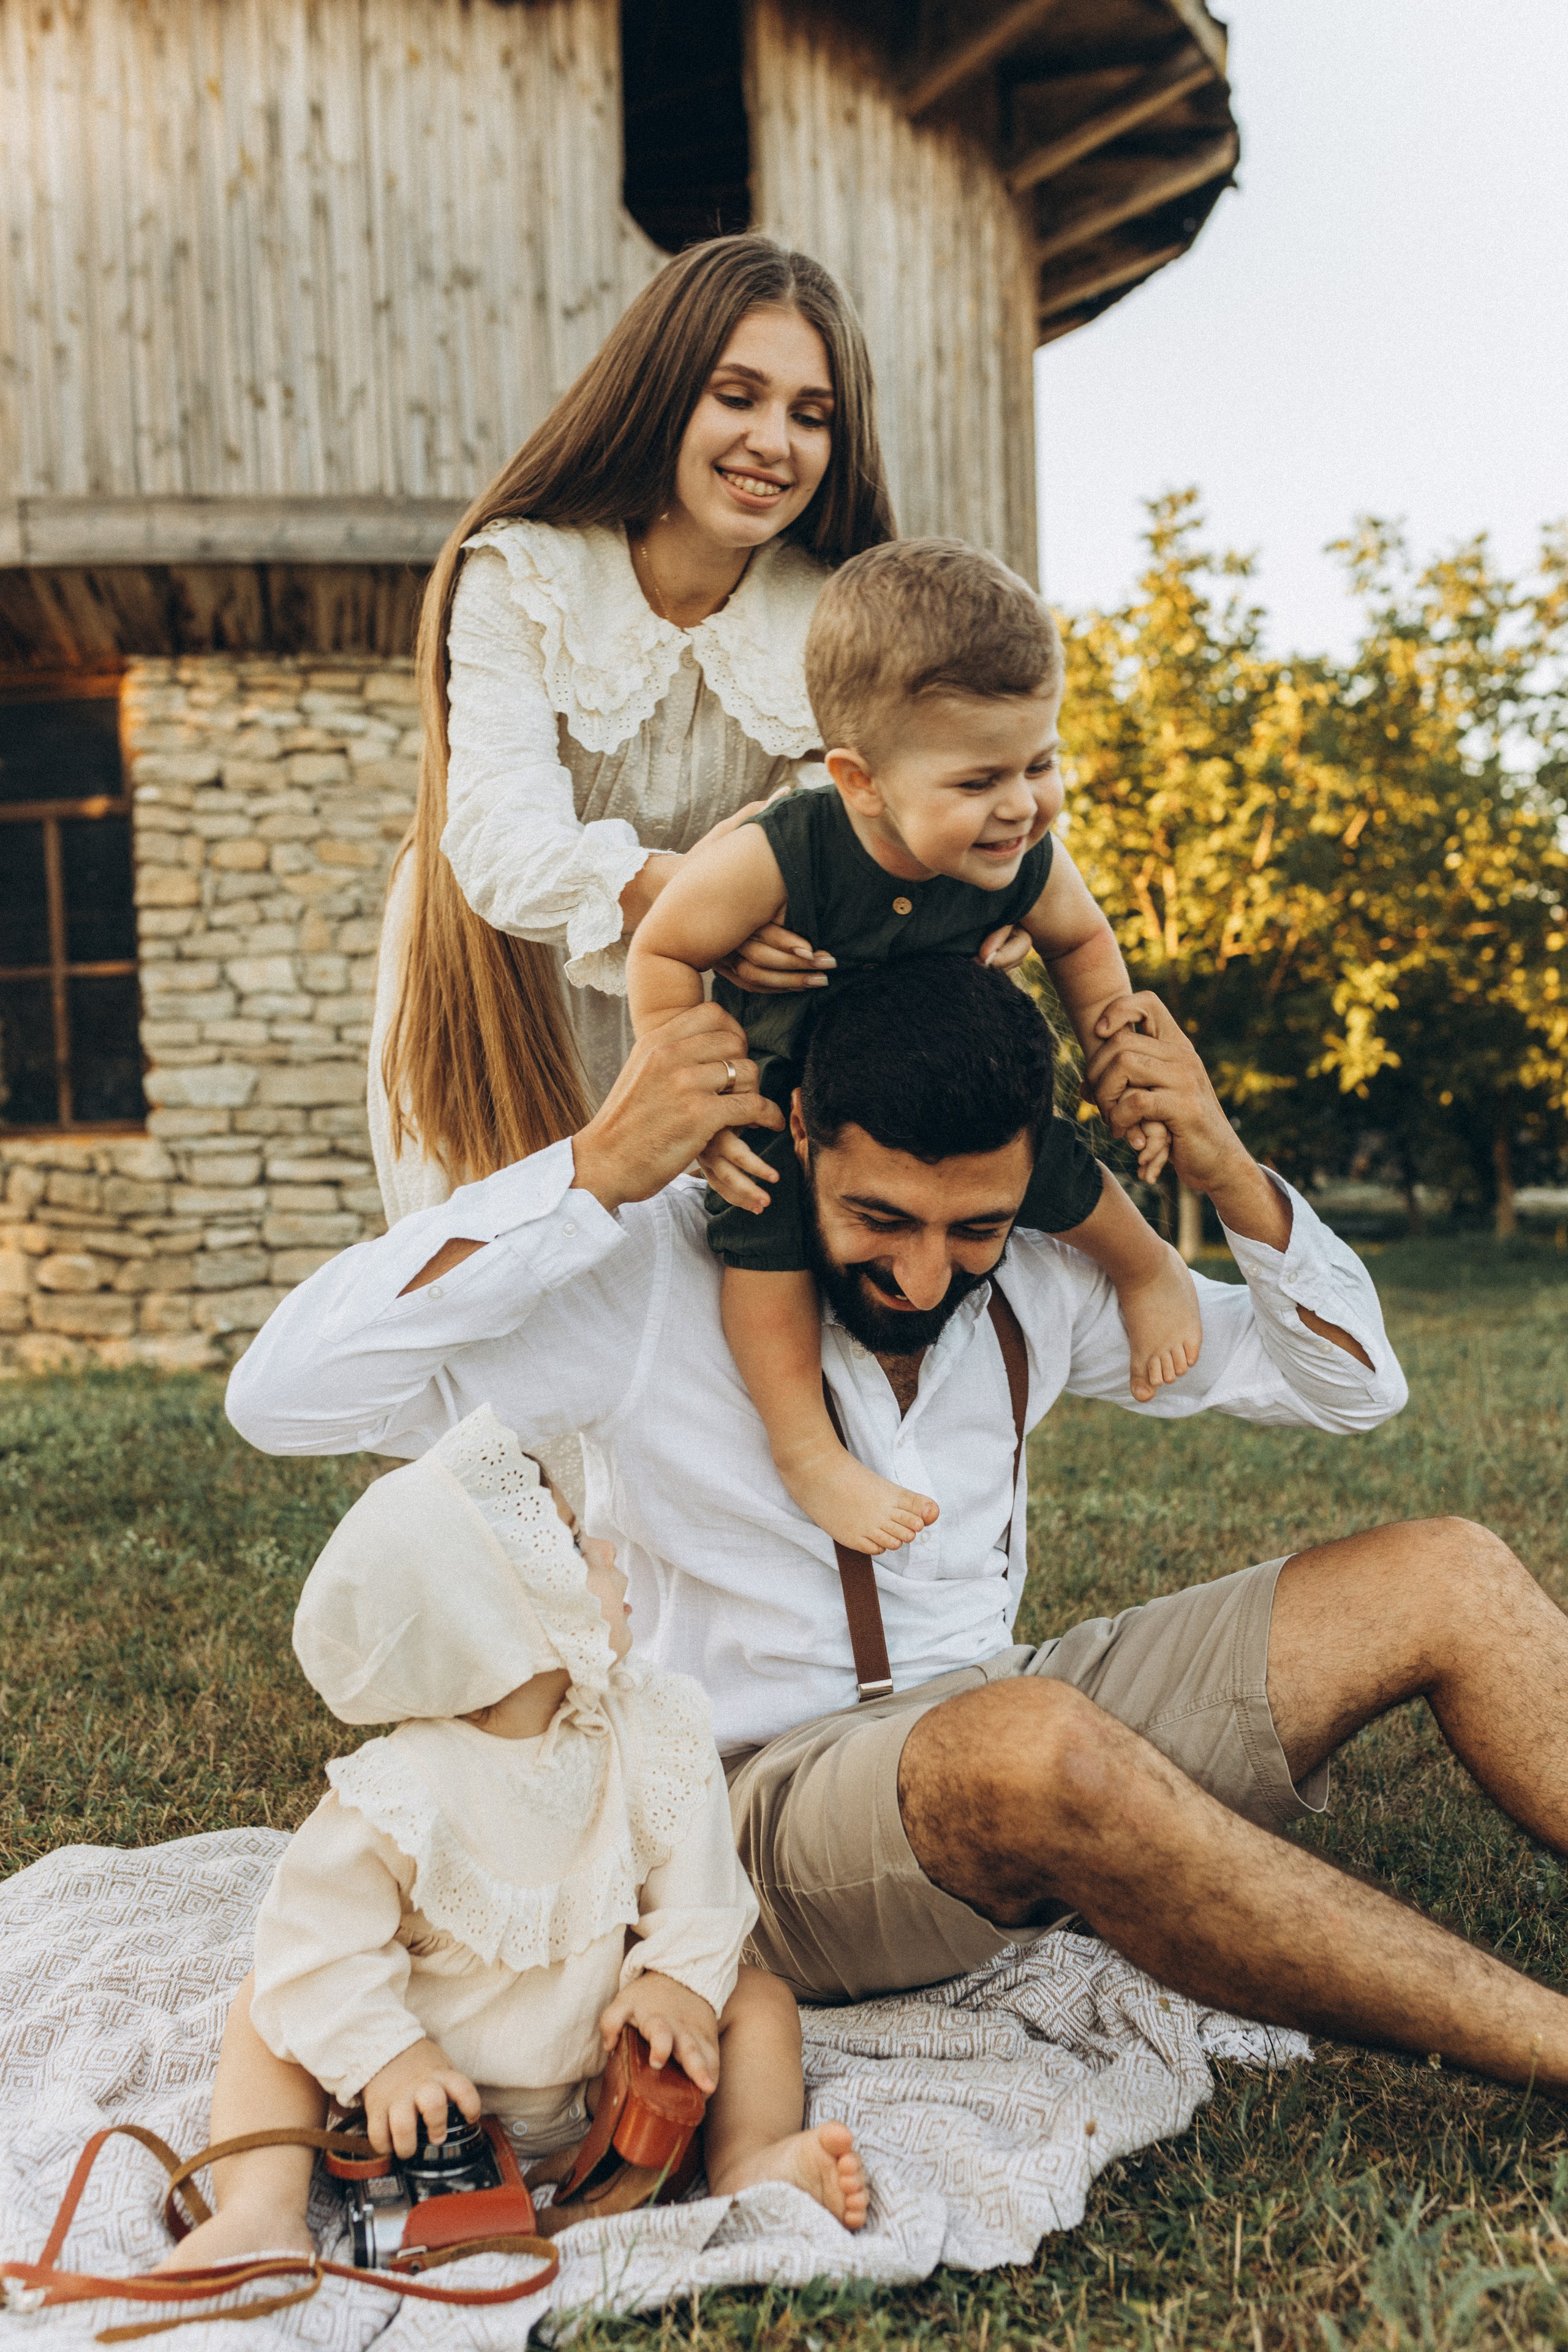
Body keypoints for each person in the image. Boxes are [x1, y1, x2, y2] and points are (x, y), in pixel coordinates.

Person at [231, 959, 1568, 2099]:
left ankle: (1091, 1820)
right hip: (746, 1811)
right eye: (878, 1218)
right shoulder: (649, 1277)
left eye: (970, 1227)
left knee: (1445, 1572)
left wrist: (1221, 1167)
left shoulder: (1042, 1271)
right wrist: (588, 1176)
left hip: (1003, 1717)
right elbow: (284, 1398)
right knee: (1039, 1746)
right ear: (804, 1127)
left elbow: (1347, 1386)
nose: (923, 1275)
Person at [160, 1405, 867, 2275]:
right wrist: (388, 2058)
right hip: (428, 2104)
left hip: (602, 2088)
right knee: (267, 2012)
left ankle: (748, 2159)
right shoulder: (403, 1791)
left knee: (757, 2003)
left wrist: (678, 1985)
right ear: (504, 1623)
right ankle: (262, 2211)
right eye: (574, 1548)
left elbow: (703, 1886)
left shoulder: (648, 1728)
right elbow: (316, 1944)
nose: (606, 1553)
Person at [628, 537, 1199, 1558]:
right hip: (797, 1098)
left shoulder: (1022, 855)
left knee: (1044, 1164)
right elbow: (663, 946)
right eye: (981, 779)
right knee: (760, 1238)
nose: (1022, 805)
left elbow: (1084, 940)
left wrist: (1116, 1049)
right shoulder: (787, 851)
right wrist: (695, 1076)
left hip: (945, 1080)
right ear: (861, 780)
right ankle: (809, 1449)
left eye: (1041, 762)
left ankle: (1150, 1268)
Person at [371, 231, 913, 1226]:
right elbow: (502, 844)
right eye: (736, 395)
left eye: (811, 414)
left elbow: (849, 831)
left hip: (718, 1007)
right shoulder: (524, 576)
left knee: (700, 1328)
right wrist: (715, 895)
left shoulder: (837, 616)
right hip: (500, 994)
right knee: (509, 1300)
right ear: (664, 391)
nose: (773, 442)